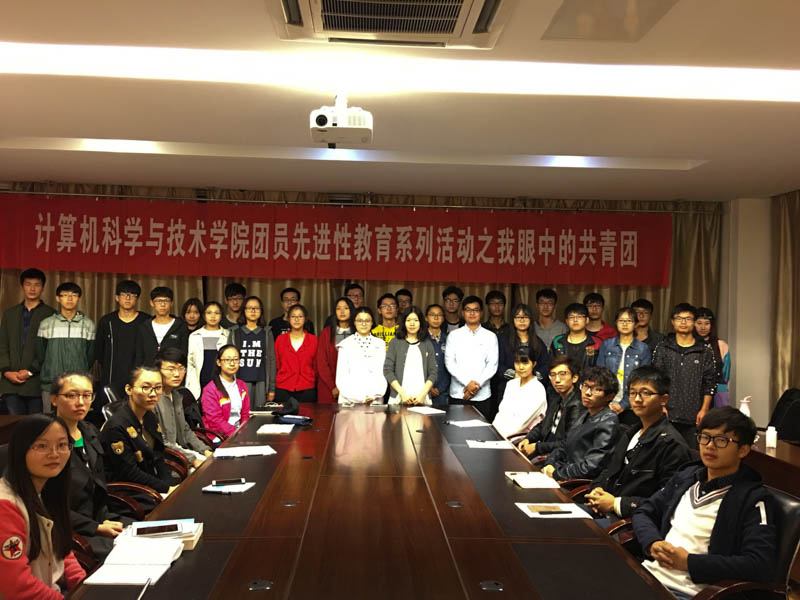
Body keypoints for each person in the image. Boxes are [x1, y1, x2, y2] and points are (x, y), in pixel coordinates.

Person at [632, 407, 777, 600]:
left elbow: (759, 564)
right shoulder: (687, 477)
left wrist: (689, 563)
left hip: (691, 593)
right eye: (705, 437)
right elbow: (644, 511)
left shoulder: (753, 498)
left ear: (743, 450)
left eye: (721, 440)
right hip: (648, 576)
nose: (709, 446)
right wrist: (652, 542)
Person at [584, 366, 692, 521]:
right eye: (633, 393)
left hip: (631, 523)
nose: (637, 399)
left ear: (664, 399)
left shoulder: (671, 444)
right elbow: (608, 471)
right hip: (604, 511)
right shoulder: (631, 432)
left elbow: (668, 500)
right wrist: (597, 489)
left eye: (646, 393)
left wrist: (616, 504)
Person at [0, 413, 85, 598]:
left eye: (62, 445)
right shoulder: (5, 506)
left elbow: (61, 547)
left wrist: (83, 586)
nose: (54, 454)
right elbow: (16, 587)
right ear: (20, 450)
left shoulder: (45, 490)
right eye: (41, 446)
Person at [50, 371, 131, 559]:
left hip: (100, 517)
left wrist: (103, 520)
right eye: (71, 395)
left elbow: (98, 485)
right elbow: (46, 506)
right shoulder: (46, 443)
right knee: (132, 554)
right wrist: (95, 527)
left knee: (152, 534)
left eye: (87, 395)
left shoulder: (89, 430)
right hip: (69, 530)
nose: (80, 402)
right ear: (54, 399)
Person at [100, 366, 176, 495]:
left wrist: (170, 485)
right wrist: (166, 489)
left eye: (158, 388)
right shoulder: (116, 427)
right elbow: (129, 473)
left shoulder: (150, 416)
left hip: (152, 484)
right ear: (129, 389)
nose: (153, 394)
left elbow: (158, 456)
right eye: (146, 387)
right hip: (131, 492)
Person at [652, 303, 717, 448]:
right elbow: (656, 380)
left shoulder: (704, 351)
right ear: (672, 322)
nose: (683, 322)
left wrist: (704, 409)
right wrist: (659, 406)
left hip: (694, 415)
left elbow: (710, 382)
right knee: (665, 455)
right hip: (667, 414)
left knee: (691, 455)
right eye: (679, 318)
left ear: (694, 322)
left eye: (688, 319)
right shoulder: (663, 348)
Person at [542, 366, 620, 481]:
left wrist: (557, 473)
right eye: (585, 386)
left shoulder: (609, 422)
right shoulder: (585, 413)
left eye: (597, 389)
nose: (587, 393)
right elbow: (564, 446)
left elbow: (591, 467)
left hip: (576, 482)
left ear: (610, 396)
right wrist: (550, 463)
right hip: (562, 473)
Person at [0, 268, 55, 415]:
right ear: (22, 286)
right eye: (28, 284)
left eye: (37, 285)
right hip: (10, 382)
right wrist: (6, 371)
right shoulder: (10, 313)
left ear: (43, 288)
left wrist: (30, 371)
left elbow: (50, 350)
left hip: (37, 382)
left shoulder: (51, 315)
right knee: (12, 425)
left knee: (36, 424)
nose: (32, 288)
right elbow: (2, 344)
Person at [36, 282, 96, 406]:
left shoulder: (88, 324)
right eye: (65, 295)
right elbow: (41, 353)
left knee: (76, 415)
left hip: (78, 383)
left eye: (74, 295)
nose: (69, 298)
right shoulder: (46, 324)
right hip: (51, 383)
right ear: (58, 298)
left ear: (79, 298)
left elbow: (90, 356)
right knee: (50, 417)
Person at [155, 348, 213, 468]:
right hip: (169, 461)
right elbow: (161, 442)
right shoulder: (152, 400)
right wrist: (192, 460)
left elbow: (185, 431)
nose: (177, 374)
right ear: (158, 371)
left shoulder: (176, 396)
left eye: (181, 369)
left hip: (183, 453)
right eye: (171, 369)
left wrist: (205, 451)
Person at [518, 355, 584, 458]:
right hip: (546, 449)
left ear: (575, 378)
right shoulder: (556, 398)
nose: (557, 380)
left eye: (562, 374)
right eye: (553, 375)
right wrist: (528, 438)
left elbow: (569, 443)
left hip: (558, 457)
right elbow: (543, 425)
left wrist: (537, 447)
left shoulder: (577, 405)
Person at [444, 295, 499, 420]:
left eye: (475, 310)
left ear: (481, 313)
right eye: (468, 310)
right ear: (463, 313)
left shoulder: (490, 337)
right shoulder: (454, 336)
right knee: (456, 430)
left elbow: (492, 365)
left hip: (482, 395)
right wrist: (467, 384)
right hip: (459, 393)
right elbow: (450, 364)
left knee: (481, 431)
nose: (472, 313)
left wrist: (476, 385)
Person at [596, 307, 652, 426]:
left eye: (629, 321)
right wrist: (604, 401)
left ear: (635, 324)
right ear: (616, 323)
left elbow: (643, 380)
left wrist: (623, 404)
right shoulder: (607, 345)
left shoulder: (643, 349)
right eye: (621, 321)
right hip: (606, 403)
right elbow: (599, 374)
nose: (625, 324)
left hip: (632, 406)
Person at [95, 279, 150, 399]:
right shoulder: (107, 321)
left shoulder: (146, 321)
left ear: (137, 299)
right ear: (117, 297)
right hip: (111, 378)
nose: (128, 298)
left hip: (139, 379)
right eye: (124, 294)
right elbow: (99, 351)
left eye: (132, 295)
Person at [384, 306, 438, 406]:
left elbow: (433, 372)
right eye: (408, 320)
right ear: (403, 322)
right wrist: (402, 394)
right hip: (399, 398)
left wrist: (423, 394)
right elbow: (388, 370)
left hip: (422, 399)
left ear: (421, 323)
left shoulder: (427, 344)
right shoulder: (395, 342)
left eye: (416, 320)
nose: (412, 324)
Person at [231, 296, 276, 409]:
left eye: (256, 308)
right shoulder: (235, 332)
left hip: (261, 381)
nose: (253, 311)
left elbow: (271, 360)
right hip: (241, 380)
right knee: (242, 413)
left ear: (261, 311)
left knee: (259, 413)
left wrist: (271, 388)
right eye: (250, 308)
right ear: (244, 310)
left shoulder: (266, 332)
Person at [495, 303, 550, 398]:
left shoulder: (538, 342)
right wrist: (515, 375)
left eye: (525, 317)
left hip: (532, 390)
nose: (522, 320)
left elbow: (545, 365)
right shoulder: (503, 341)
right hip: (507, 389)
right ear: (513, 320)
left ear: (530, 320)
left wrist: (531, 377)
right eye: (518, 317)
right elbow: (497, 364)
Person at [492, 349, 547, 440]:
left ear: (534, 364)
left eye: (525, 363)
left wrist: (499, 438)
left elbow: (522, 422)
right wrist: (493, 432)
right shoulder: (511, 384)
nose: (521, 367)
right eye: (517, 363)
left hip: (522, 438)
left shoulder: (538, 389)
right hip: (499, 434)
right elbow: (502, 412)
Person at [336, 307, 387, 404]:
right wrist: (360, 398)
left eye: (367, 321)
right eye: (360, 321)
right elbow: (341, 377)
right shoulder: (345, 344)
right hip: (350, 400)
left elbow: (382, 373)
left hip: (374, 399)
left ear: (372, 323)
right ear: (354, 322)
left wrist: (374, 395)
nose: (364, 324)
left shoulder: (380, 344)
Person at [201, 345, 251, 438]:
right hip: (219, 436)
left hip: (238, 433)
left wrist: (244, 432)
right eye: (227, 360)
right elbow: (215, 421)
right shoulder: (210, 390)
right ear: (219, 362)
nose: (232, 363)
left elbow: (245, 415)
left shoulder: (242, 385)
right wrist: (237, 434)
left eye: (235, 359)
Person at [186, 301, 232, 401]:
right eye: (209, 313)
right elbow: (190, 363)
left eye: (217, 313)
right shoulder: (194, 336)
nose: (213, 316)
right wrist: (188, 385)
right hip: (199, 382)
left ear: (221, 316)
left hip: (221, 382)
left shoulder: (228, 335)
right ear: (204, 315)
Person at [134, 286, 189, 366]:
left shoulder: (181, 326)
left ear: (172, 303)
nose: (163, 304)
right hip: (149, 371)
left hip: (172, 371)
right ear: (152, 303)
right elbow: (139, 356)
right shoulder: (144, 327)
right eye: (159, 301)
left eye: (166, 301)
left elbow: (184, 354)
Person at [274, 304, 318, 404]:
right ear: (288, 319)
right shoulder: (280, 339)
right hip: (284, 386)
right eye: (293, 316)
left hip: (307, 386)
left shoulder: (314, 340)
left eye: (300, 316)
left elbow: (316, 366)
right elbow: (277, 363)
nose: (296, 319)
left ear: (305, 319)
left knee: (307, 413)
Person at [316, 297, 354, 404]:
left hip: (352, 387)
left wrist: (345, 386)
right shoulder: (326, 333)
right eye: (338, 308)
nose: (342, 311)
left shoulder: (357, 332)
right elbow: (321, 362)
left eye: (346, 308)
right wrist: (333, 386)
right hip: (328, 387)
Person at [695, 307, 730, 408]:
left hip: (718, 393)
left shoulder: (721, 345)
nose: (703, 327)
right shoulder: (689, 345)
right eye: (699, 323)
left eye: (707, 323)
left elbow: (725, 375)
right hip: (693, 392)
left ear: (712, 325)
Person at [550, 303, 602, 371]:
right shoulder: (557, 341)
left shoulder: (597, 342)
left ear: (587, 320)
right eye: (571, 317)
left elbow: (600, 369)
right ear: (567, 321)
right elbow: (551, 366)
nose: (575, 320)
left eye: (579, 317)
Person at [425, 304, 450, 408]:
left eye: (439, 315)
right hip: (423, 390)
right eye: (432, 315)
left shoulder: (449, 339)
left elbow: (451, 366)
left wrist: (441, 388)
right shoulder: (421, 338)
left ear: (443, 318)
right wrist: (428, 387)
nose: (436, 318)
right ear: (426, 318)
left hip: (443, 391)